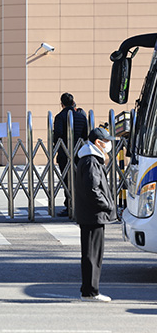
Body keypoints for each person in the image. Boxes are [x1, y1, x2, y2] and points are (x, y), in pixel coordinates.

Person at [74, 127, 116, 302]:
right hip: (93, 214)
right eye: (106, 141)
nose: (109, 144)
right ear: (98, 143)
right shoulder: (91, 161)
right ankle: (91, 292)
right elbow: (93, 189)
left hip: (91, 214)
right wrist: (107, 205)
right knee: (93, 254)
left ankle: (89, 289)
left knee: (91, 253)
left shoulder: (89, 159)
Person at [53, 92, 88, 216]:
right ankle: (79, 205)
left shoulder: (60, 117)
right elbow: (85, 135)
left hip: (64, 154)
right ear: (73, 102)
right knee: (79, 180)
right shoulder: (81, 117)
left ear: (62, 104)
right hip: (79, 153)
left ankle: (69, 206)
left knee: (67, 181)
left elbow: (57, 135)